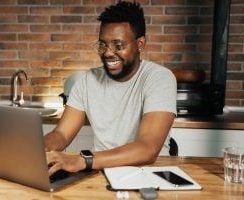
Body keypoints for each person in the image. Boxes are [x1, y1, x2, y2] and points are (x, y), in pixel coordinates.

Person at [44, 1, 177, 176]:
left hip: (149, 173)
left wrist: (84, 160)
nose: (107, 52)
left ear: (140, 44)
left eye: (118, 45)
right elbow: (61, 134)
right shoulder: (86, 81)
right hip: (100, 172)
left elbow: (148, 149)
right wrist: (35, 149)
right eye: (103, 44)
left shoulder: (159, 78)